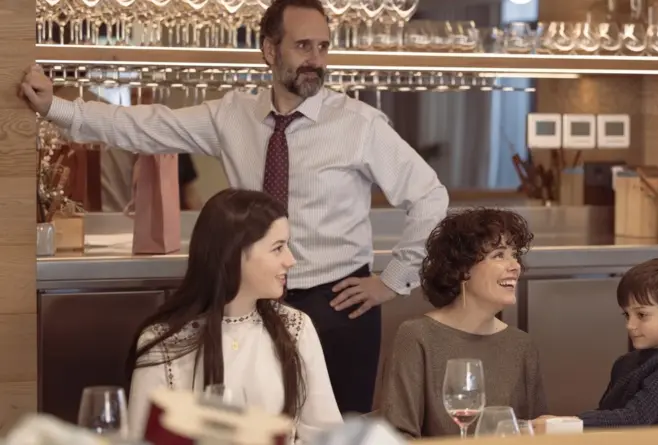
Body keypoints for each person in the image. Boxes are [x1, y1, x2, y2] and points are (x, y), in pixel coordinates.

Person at [20, 0, 448, 414]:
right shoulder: (231, 116)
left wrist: (391, 281)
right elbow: (144, 126)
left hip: (337, 306)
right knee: (255, 427)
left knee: (336, 434)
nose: (316, 59)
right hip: (254, 304)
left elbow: (429, 196)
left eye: (323, 47)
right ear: (269, 50)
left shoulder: (360, 124)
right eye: (303, 46)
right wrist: (55, 107)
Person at [126, 188, 342, 443]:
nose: (290, 260)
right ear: (234, 254)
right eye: (277, 248)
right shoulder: (164, 342)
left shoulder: (295, 327)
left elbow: (327, 435)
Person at [378, 208, 547, 438]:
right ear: (462, 269)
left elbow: (538, 434)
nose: (515, 266)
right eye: (499, 255)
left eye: (514, 255)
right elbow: (396, 437)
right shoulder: (417, 337)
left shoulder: (522, 345)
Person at [539, 258, 658, 428]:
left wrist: (569, 422)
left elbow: (635, 418)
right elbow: (608, 416)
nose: (630, 325)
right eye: (627, 315)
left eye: (642, 315)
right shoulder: (624, 363)